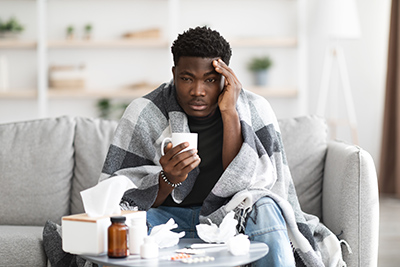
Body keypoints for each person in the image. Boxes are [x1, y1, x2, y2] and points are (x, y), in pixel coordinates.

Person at [99, 26, 343, 267]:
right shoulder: (145, 112)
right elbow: (119, 197)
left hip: (232, 221)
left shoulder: (255, 109)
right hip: (168, 221)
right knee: (119, 227)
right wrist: (168, 179)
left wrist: (229, 113)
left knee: (267, 208)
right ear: (174, 73)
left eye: (210, 80)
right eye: (186, 78)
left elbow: (252, 187)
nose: (198, 91)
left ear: (226, 78)